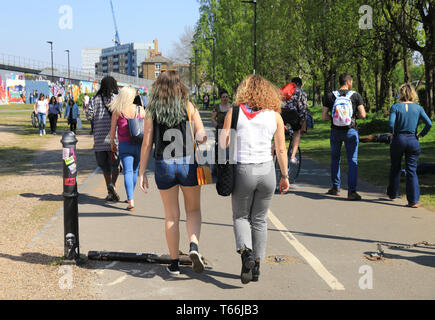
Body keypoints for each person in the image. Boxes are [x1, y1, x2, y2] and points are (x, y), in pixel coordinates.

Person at [219, 74, 290, 284]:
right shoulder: (275, 116)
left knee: (241, 217)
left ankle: (246, 254)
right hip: (267, 171)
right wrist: (284, 176)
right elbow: (281, 149)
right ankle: (256, 266)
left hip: (244, 171)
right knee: (260, 220)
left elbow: (223, 143)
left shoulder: (234, 113)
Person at [138, 71, 207, 276]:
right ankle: (193, 246)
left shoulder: (152, 109)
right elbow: (202, 134)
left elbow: (147, 142)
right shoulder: (188, 105)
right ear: (179, 85)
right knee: (193, 210)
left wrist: (142, 172)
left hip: (164, 164)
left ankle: (174, 263)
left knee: (171, 215)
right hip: (188, 163)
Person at [322, 73, 366, 201]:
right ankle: (352, 192)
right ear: (349, 82)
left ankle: (335, 187)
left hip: (335, 131)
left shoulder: (330, 95)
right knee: (352, 160)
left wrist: (334, 119)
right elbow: (363, 114)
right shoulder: (355, 95)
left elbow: (324, 116)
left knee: (335, 158)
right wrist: (351, 118)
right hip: (351, 131)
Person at [387, 83, 432, 208]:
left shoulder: (395, 107)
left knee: (395, 167)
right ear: (413, 94)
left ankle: (392, 193)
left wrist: (392, 133)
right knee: (411, 170)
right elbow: (429, 124)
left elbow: (391, 123)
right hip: (413, 140)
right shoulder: (418, 108)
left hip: (399, 139)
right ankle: (413, 200)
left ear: (400, 93)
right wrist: (420, 135)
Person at [109, 87, 146, 211]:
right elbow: (147, 127)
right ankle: (131, 196)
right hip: (139, 144)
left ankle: (131, 199)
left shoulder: (118, 110)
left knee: (128, 171)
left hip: (124, 145)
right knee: (135, 171)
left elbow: (113, 129)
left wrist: (112, 143)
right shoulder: (140, 109)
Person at [86, 76, 121, 202]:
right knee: (116, 165)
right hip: (115, 139)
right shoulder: (117, 98)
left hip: (99, 141)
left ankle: (110, 191)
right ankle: (113, 185)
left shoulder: (94, 99)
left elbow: (89, 116)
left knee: (105, 168)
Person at [280, 77, 308, 164]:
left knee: (279, 133)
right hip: (293, 114)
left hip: (281, 113)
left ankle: (273, 151)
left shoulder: (285, 90)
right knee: (297, 132)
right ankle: (292, 157)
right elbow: (302, 108)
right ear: (301, 84)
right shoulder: (301, 92)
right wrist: (302, 121)